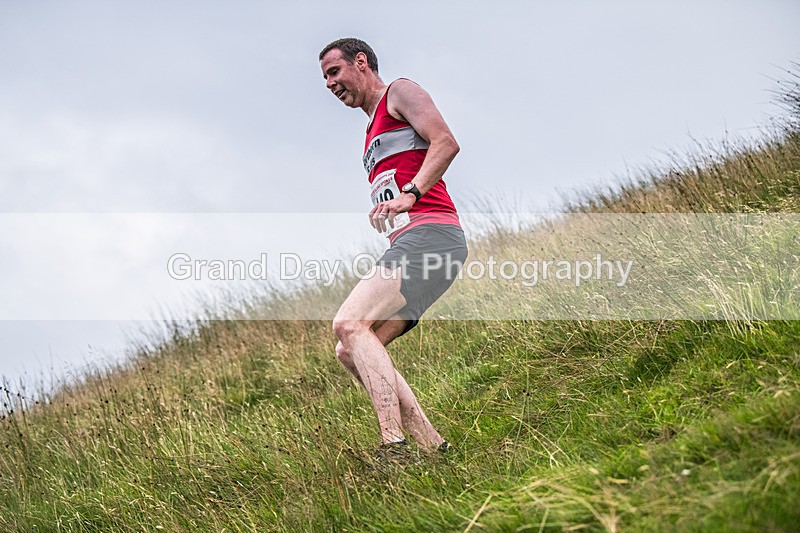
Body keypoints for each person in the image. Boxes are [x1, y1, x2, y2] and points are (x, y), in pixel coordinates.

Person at [320, 38, 467, 458]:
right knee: (350, 350)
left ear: (361, 62)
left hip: (432, 235)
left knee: (348, 323)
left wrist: (410, 193)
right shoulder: (369, 132)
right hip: (419, 242)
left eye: (334, 72)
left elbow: (445, 142)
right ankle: (434, 447)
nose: (330, 84)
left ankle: (393, 443)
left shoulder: (399, 93)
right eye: (325, 78)